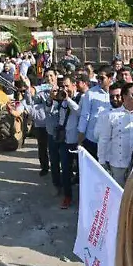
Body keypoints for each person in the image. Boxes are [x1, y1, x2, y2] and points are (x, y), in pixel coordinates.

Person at [97, 81, 133, 185]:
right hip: (117, 164)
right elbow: (103, 140)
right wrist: (102, 162)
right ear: (125, 96)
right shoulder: (111, 116)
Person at [56, 75, 82, 209]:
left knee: (81, 171)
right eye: (63, 86)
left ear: (74, 85)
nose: (65, 89)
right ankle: (67, 196)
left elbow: (79, 112)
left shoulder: (80, 98)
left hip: (77, 142)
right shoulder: (61, 99)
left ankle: (83, 198)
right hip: (64, 140)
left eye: (67, 86)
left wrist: (68, 99)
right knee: (65, 170)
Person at [77, 69, 112, 158]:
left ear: (110, 78)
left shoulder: (116, 94)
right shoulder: (91, 93)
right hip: (92, 138)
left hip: (110, 141)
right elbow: (85, 115)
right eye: (97, 77)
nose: (99, 80)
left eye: (102, 78)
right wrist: (81, 137)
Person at [30, 70, 57, 176]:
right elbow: (33, 104)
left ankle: (56, 167)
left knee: (55, 149)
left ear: (55, 76)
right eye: (47, 76)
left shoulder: (61, 89)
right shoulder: (40, 92)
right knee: (42, 147)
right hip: (42, 124)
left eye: (51, 75)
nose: (49, 78)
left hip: (56, 124)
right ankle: (44, 167)